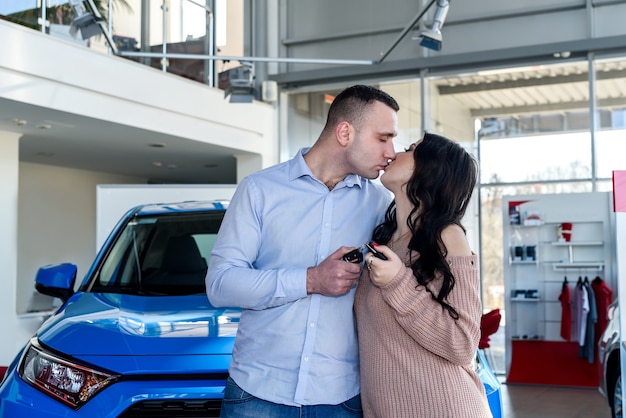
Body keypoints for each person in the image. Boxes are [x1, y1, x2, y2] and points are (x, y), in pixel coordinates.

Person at [206, 85, 399, 417]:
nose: (391, 151)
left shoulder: (381, 205)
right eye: (383, 138)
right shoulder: (259, 190)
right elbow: (220, 284)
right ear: (344, 132)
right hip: (257, 393)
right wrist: (310, 279)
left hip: (341, 398)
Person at [356, 132, 492, 418]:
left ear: (430, 168)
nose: (394, 153)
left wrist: (397, 283)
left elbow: (463, 345)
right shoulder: (384, 237)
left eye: (410, 149)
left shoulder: (448, 236)